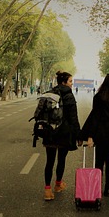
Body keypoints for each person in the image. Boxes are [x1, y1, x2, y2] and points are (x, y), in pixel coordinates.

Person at [80, 73, 109, 197]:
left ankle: (97, 186)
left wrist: (89, 136)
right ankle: (107, 188)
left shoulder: (99, 97)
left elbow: (95, 117)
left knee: (99, 161)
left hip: (101, 134)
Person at [41, 71, 81, 201]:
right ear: (64, 82)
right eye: (70, 81)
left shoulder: (50, 93)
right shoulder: (69, 96)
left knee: (49, 161)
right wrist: (78, 135)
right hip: (63, 133)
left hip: (49, 131)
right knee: (61, 159)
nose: (71, 84)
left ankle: (47, 190)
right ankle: (58, 184)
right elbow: (73, 118)